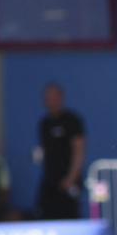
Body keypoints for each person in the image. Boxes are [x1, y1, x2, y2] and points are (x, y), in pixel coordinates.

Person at [37, 82, 86, 220]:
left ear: (60, 98)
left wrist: (71, 178)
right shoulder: (44, 123)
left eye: (53, 97)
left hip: (68, 180)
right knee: (45, 214)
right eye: (47, 98)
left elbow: (79, 150)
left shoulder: (72, 121)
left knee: (69, 215)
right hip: (50, 180)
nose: (50, 101)